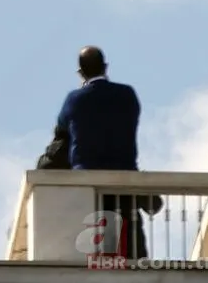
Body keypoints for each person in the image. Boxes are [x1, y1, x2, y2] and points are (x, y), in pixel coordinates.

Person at [54, 46, 150, 259]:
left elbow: (61, 138)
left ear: (80, 73)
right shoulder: (126, 95)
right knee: (131, 247)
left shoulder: (74, 100)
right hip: (125, 184)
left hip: (86, 187)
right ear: (105, 67)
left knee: (92, 250)